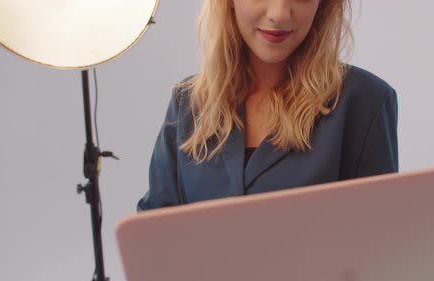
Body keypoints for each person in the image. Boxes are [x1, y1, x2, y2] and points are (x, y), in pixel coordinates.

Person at [137, 0, 398, 211]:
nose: (280, 13)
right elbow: (153, 240)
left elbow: (379, 245)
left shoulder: (365, 101)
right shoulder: (187, 104)